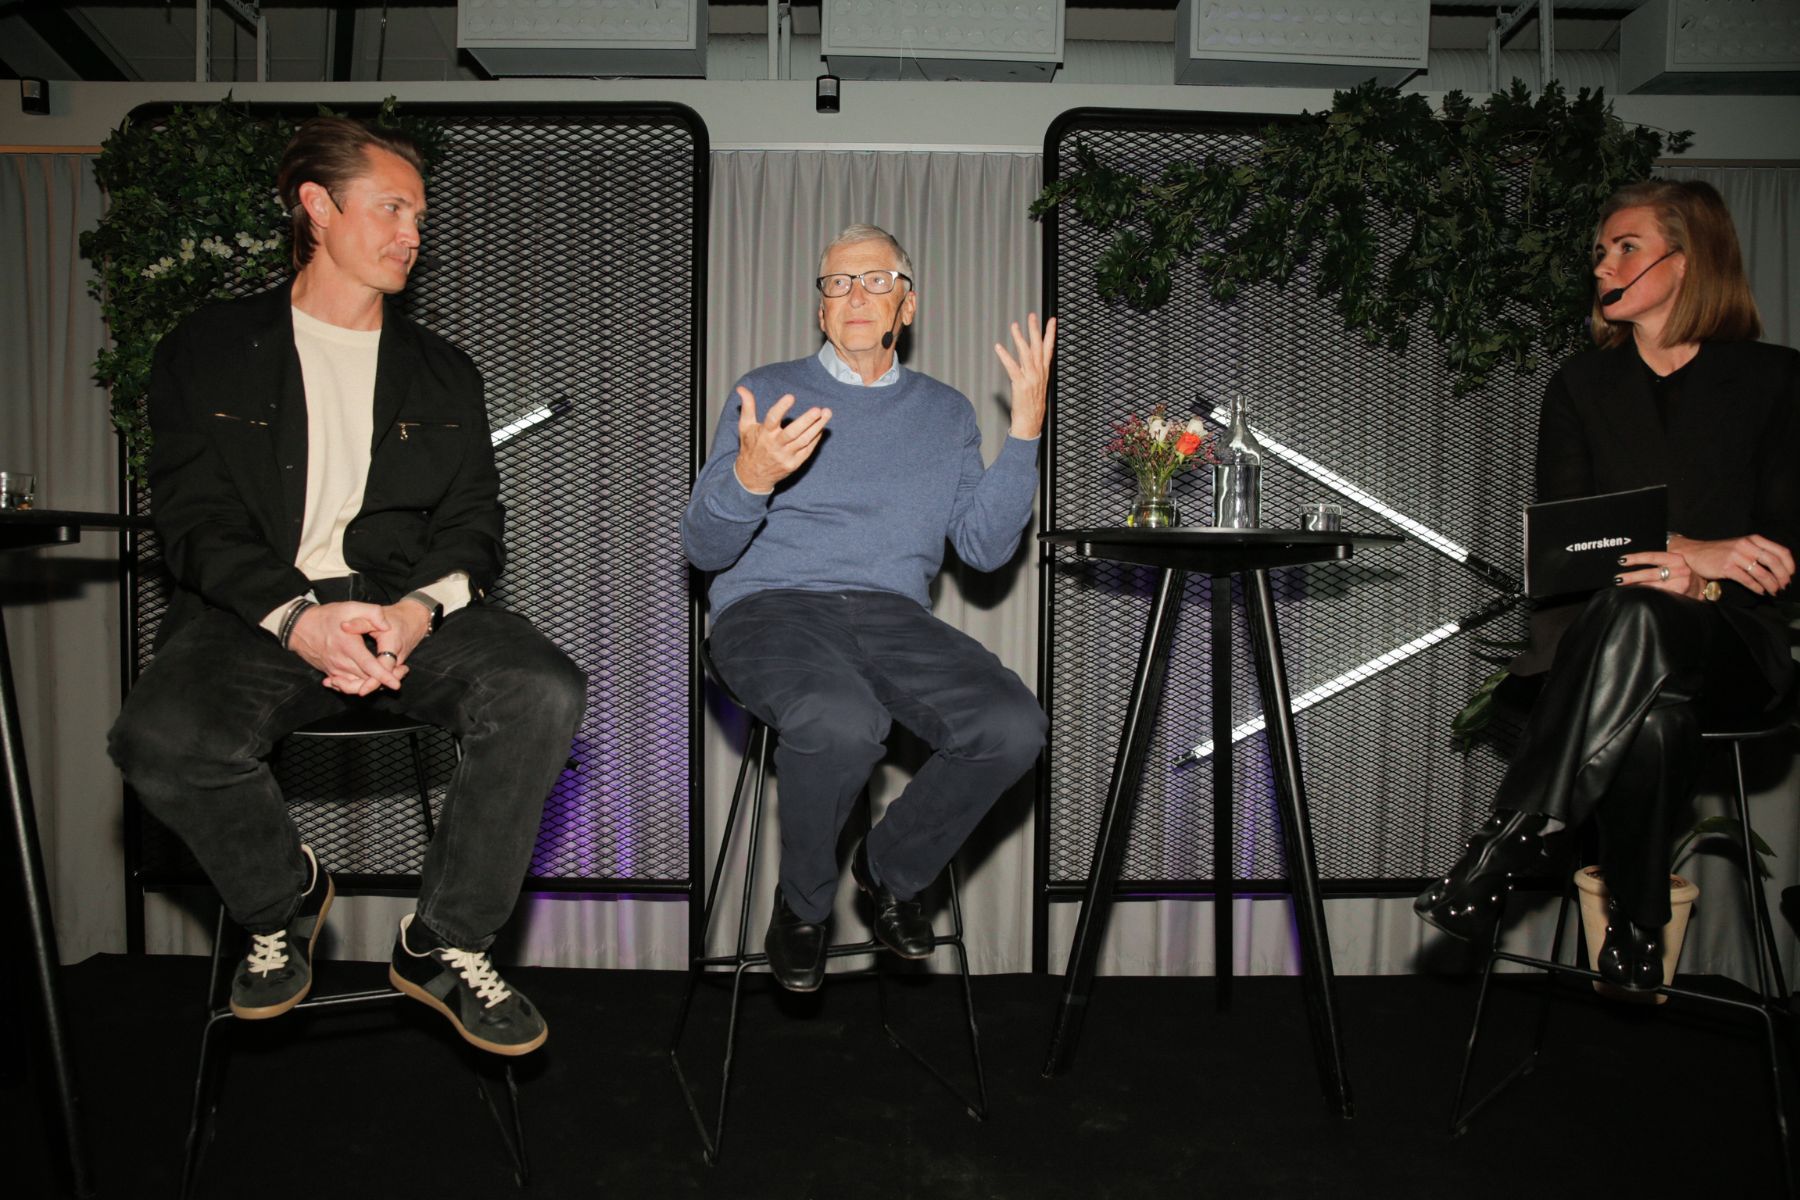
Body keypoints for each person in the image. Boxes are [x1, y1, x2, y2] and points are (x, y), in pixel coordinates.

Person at [108, 117, 586, 1054]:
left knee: (542, 688)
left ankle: (444, 941)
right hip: (258, 610)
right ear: (317, 208)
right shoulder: (207, 346)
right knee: (157, 739)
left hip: (405, 604)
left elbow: (473, 531)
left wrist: (414, 613)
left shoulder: (445, 372)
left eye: (420, 213)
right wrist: (299, 618)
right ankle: (281, 898)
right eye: (392, 207)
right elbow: (194, 521)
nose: (414, 231)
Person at [1414, 180, 1798, 990]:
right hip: (1607, 646)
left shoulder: (1776, 381)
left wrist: (1708, 581)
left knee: (1646, 622)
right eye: (1600, 251)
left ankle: (1509, 840)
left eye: (1626, 247)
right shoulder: (1581, 387)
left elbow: (1782, 545)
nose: (1602, 267)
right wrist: (1694, 550)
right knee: (1652, 711)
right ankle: (1637, 919)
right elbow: (1566, 547)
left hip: (1732, 647)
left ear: (1687, 260)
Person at [682, 224, 1055, 991]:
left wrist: (1024, 432)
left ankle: (889, 869)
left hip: (892, 616)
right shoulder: (768, 391)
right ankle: (804, 904)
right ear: (821, 310)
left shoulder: (947, 414)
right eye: (837, 284)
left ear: (906, 305)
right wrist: (750, 478)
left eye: (876, 281)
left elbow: (983, 550)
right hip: (770, 609)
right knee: (842, 722)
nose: (855, 296)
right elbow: (706, 547)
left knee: (1013, 725)